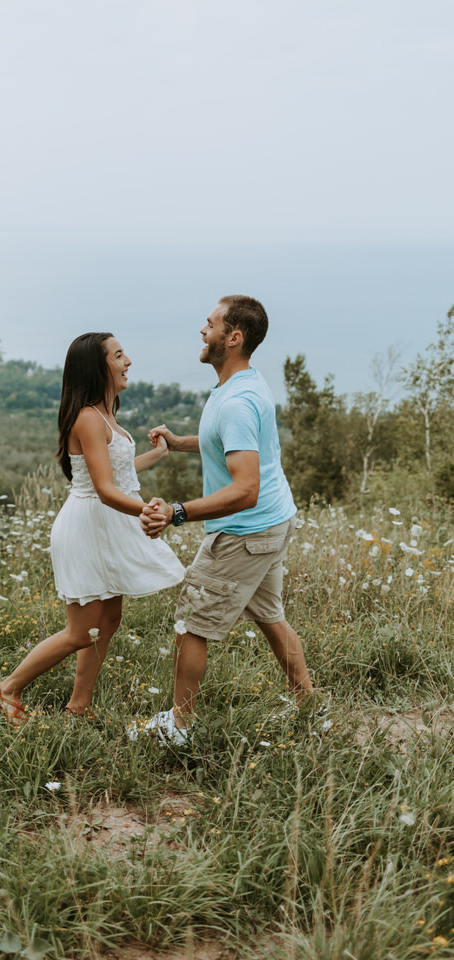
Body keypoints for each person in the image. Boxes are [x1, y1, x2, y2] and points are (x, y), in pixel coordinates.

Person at [136, 295, 314, 744]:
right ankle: (312, 708)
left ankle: (178, 726)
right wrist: (180, 443)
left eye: (210, 324)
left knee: (191, 622)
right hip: (273, 523)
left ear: (233, 338)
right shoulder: (243, 385)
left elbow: (243, 490)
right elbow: (228, 441)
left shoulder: (237, 400)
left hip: (246, 531)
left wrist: (178, 512)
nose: (203, 330)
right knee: (271, 616)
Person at [0, 332, 184, 724]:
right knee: (81, 632)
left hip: (106, 526)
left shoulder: (104, 413)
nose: (128, 360)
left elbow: (118, 473)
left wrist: (159, 453)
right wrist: (148, 509)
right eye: (118, 355)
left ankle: (79, 706)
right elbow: (105, 489)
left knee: (110, 620)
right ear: (98, 367)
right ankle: (7, 688)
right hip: (86, 528)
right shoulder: (88, 419)